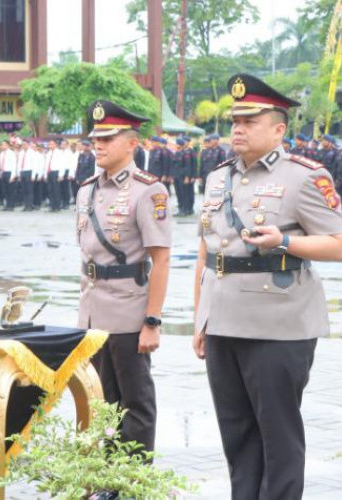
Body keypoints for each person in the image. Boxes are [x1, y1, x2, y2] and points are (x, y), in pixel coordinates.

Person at [193, 74, 342, 500]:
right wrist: (200, 317)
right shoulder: (217, 178)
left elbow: (338, 242)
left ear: (278, 129)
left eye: (250, 121)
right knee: (238, 437)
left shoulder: (306, 177)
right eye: (235, 120)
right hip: (223, 321)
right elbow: (206, 252)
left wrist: (286, 241)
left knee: (278, 438)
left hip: (278, 325)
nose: (237, 128)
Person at [77, 100, 171, 456]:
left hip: (130, 312)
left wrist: (152, 321)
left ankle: (132, 485)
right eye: (95, 138)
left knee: (136, 405)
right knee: (102, 403)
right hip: (92, 311)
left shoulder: (148, 190)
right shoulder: (87, 188)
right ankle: (107, 482)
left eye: (108, 138)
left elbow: (160, 261)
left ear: (132, 143)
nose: (97, 145)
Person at [0, 140, 17, 211]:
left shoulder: (11, 153)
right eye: (2, 145)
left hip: (10, 173)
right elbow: (1, 165)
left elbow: (14, 165)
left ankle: (11, 205)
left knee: (11, 190)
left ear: (8, 145)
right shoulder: (1, 154)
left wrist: (13, 176)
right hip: (3, 173)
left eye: (4, 145)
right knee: (5, 190)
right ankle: (7, 204)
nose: (2, 146)